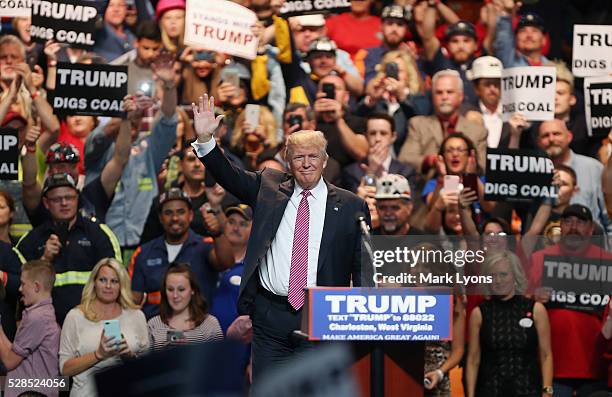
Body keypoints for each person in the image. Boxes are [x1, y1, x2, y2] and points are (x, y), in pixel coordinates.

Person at [191, 94, 370, 381]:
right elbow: (229, 175)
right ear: (287, 161)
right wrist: (206, 141)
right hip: (270, 316)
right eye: (299, 157)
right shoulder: (268, 187)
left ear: (325, 161)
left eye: (313, 156)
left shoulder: (351, 205)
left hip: (322, 317)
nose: (306, 163)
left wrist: (361, 322)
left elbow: (362, 268)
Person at [16, 173, 122, 325]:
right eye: (57, 199)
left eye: (70, 197)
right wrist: (44, 260)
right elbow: (19, 290)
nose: (64, 203)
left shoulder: (99, 233)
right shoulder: (30, 240)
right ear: (46, 203)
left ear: (77, 199)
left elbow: (118, 283)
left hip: (94, 322)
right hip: (45, 328)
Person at [529, 205, 611, 397]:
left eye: (580, 222)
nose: (573, 227)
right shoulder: (539, 259)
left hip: (597, 368)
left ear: (591, 229)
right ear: (560, 226)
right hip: (551, 368)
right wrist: (533, 298)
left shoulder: (607, 262)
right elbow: (517, 306)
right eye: (568, 221)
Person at [129, 187, 234, 319]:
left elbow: (227, 263)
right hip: (155, 331)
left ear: (190, 215)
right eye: (168, 213)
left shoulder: (205, 246)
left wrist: (217, 233)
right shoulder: (143, 253)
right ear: (160, 218)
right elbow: (132, 302)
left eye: (180, 212)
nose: (174, 218)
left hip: (199, 332)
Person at [466, 251, 553, 397]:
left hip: (528, 390)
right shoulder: (479, 313)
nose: (498, 280)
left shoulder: (536, 309)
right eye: (492, 276)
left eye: (503, 274)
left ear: (515, 276)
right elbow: (473, 360)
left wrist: (547, 392)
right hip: (490, 391)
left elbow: (546, 356)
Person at [59, 258, 149, 397]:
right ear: (94, 282)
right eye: (102, 280)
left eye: (114, 281)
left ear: (121, 285)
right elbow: (64, 369)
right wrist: (98, 354)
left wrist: (129, 356)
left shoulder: (136, 316)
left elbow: (148, 369)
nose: (108, 286)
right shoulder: (75, 316)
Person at [398, 69, 488, 175]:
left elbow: (483, 166)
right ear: (432, 96)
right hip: (426, 187)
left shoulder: (477, 131)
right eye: (439, 92)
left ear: (461, 96)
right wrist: (431, 161)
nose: (444, 97)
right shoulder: (418, 125)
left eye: (449, 92)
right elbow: (404, 159)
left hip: (465, 187)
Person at [536, 119, 611, 233]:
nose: (551, 139)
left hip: (592, 245)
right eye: (545, 135)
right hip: (547, 244)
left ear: (569, 137)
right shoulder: (534, 173)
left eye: (557, 134)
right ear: (538, 142)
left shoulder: (593, 168)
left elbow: (609, 220)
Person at [0, 260, 60, 397]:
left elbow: (9, 362)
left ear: (36, 286)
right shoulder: (37, 315)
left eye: (23, 284)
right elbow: (13, 353)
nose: (20, 289)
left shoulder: (38, 318)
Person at [147, 263, 223, 350]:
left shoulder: (210, 324)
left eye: (181, 289)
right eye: (170, 289)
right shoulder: (154, 324)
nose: (175, 295)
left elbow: (220, 360)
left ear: (192, 290)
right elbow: (144, 362)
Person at [343, 114, 417, 194]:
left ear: (393, 137)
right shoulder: (352, 172)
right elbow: (358, 204)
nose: (378, 139)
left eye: (383, 133)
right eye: (372, 133)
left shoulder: (406, 172)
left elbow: (407, 204)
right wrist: (371, 172)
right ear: (366, 136)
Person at [356, 5, 411, 85]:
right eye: (390, 23)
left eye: (400, 24)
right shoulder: (366, 55)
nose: (394, 29)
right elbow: (362, 87)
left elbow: (422, 89)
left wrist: (411, 62)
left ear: (406, 29)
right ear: (381, 26)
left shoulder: (413, 57)